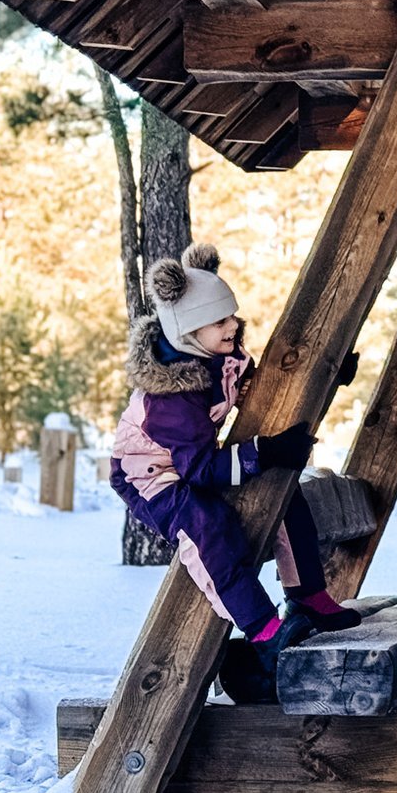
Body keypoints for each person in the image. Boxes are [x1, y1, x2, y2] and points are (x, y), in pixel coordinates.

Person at [109, 243, 360, 699]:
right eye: (220, 321)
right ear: (187, 330)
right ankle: (263, 631)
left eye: (232, 317)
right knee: (208, 527)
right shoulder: (170, 399)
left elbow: (269, 396)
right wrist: (265, 452)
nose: (233, 327)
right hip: (153, 477)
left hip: (195, 459)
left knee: (286, 496)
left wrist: (327, 378)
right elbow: (201, 470)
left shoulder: (222, 357)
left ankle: (307, 594)